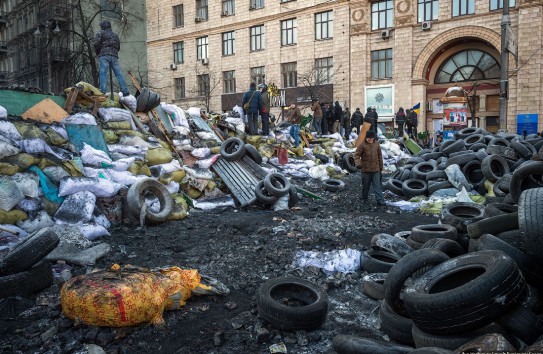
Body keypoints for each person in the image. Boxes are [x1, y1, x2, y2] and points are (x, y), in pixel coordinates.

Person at [93, 20, 130, 97]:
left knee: (103, 73)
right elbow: (118, 47)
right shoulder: (115, 35)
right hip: (114, 56)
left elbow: (96, 44)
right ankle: (125, 91)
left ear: (102, 26)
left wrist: (98, 52)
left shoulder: (100, 33)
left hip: (104, 55)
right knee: (118, 74)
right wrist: (113, 52)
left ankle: (103, 91)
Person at [353, 130, 386, 206]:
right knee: (366, 186)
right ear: (366, 138)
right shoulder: (362, 145)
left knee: (377, 185)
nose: (370, 140)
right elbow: (356, 155)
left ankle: (380, 200)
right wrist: (358, 164)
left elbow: (380, 156)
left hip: (376, 169)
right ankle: (364, 197)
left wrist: (381, 167)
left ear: (374, 138)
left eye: (371, 138)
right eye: (368, 138)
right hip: (365, 170)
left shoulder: (377, 144)